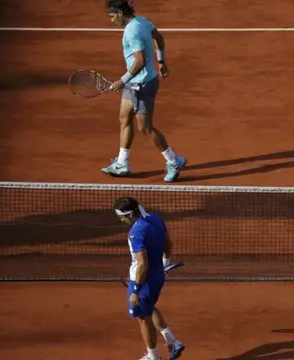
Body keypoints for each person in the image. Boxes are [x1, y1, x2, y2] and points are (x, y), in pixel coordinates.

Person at [102, 0, 187, 182]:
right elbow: (159, 37)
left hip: (141, 85)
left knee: (145, 128)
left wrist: (122, 80)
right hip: (136, 83)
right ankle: (122, 163)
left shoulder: (131, 31)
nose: (111, 21)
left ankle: (174, 160)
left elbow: (140, 61)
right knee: (125, 118)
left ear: (119, 13)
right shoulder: (143, 21)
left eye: (111, 16)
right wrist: (162, 62)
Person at [114, 196, 186, 360]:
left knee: (143, 319)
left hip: (143, 280)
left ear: (131, 215)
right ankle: (172, 341)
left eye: (122, 217)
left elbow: (142, 264)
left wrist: (135, 290)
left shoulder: (136, 232)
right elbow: (168, 244)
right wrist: (164, 263)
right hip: (157, 276)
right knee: (149, 308)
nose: (121, 221)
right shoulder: (155, 218)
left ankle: (153, 356)